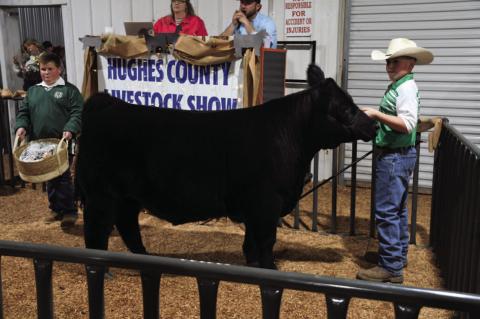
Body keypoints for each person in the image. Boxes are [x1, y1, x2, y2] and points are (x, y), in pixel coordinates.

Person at [356, 38, 434, 283]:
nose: (389, 65)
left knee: (387, 211)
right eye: (388, 61)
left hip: (393, 157)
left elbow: (407, 124)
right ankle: (396, 256)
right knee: (397, 209)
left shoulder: (405, 88)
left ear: (410, 64)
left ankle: (390, 267)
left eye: (394, 61)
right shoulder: (401, 86)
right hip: (397, 156)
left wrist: (376, 113)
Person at [15, 52, 83, 229]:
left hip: (62, 142)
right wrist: (21, 126)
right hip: (39, 144)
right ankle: (56, 209)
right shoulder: (33, 91)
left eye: (50, 69)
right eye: (43, 69)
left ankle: (69, 211)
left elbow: (77, 113)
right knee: (48, 176)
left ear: (59, 69)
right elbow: (24, 113)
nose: (45, 72)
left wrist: (70, 128)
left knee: (62, 177)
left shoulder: (69, 90)